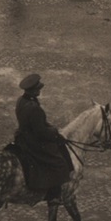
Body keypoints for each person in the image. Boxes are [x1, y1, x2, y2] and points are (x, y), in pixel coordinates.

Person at [13, 74, 74, 203]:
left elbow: (38, 123)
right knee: (58, 161)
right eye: (38, 89)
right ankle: (54, 195)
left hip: (22, 137)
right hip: (33, 141)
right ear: (33, 90)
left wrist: (50, 128)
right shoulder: (34, 108)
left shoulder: (22, 100)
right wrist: (55, 132)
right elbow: (41, 132)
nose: (40, 91)